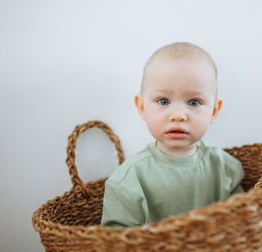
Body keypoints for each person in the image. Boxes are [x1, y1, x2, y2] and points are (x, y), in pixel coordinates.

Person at [101, 42, 244, 228]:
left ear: (214, 111)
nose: (178, 115)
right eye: (163, 101)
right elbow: (113, 241)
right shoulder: (128, 180)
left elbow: (244, 226)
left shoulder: (226, 170)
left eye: (193, 102)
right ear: (142, 107)